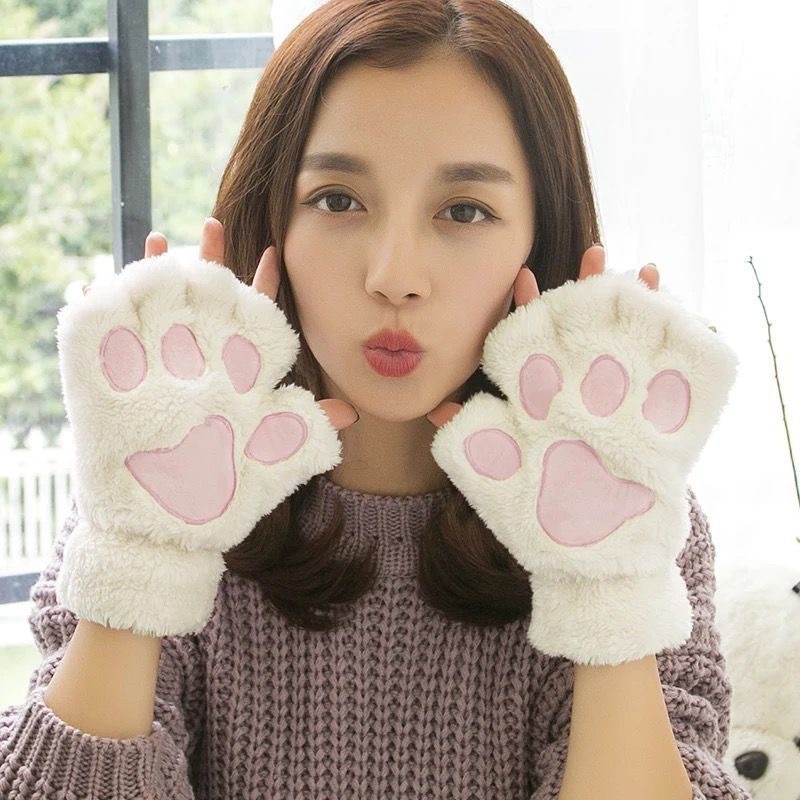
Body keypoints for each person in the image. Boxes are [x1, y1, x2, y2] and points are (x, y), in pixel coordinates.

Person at [0, 1, 748, 798]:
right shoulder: (148, 485)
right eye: (337, 199)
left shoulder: (631, 517)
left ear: (542, 238)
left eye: (465, 211)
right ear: (271, 219)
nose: (395, 275)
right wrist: (142, 557)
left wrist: (607, 596)